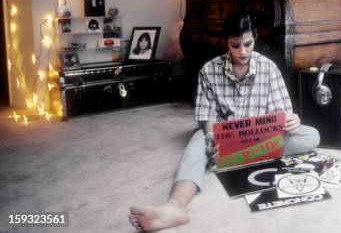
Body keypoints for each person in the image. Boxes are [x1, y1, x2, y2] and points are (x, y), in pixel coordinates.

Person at [129, 12, 320, 232]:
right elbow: (207, 118)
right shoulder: (209, 71)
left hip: (260, 136)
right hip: (223, 137)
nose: (243, 52)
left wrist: (292, 121)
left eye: (248, 44)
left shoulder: (269, 68)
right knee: (197, 144)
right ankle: (175, 206)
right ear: (226, 43)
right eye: (235, 45)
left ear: (255, 38)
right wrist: (213, 141)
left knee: (311, 135)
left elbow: (283, 115)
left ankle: (237, 156)